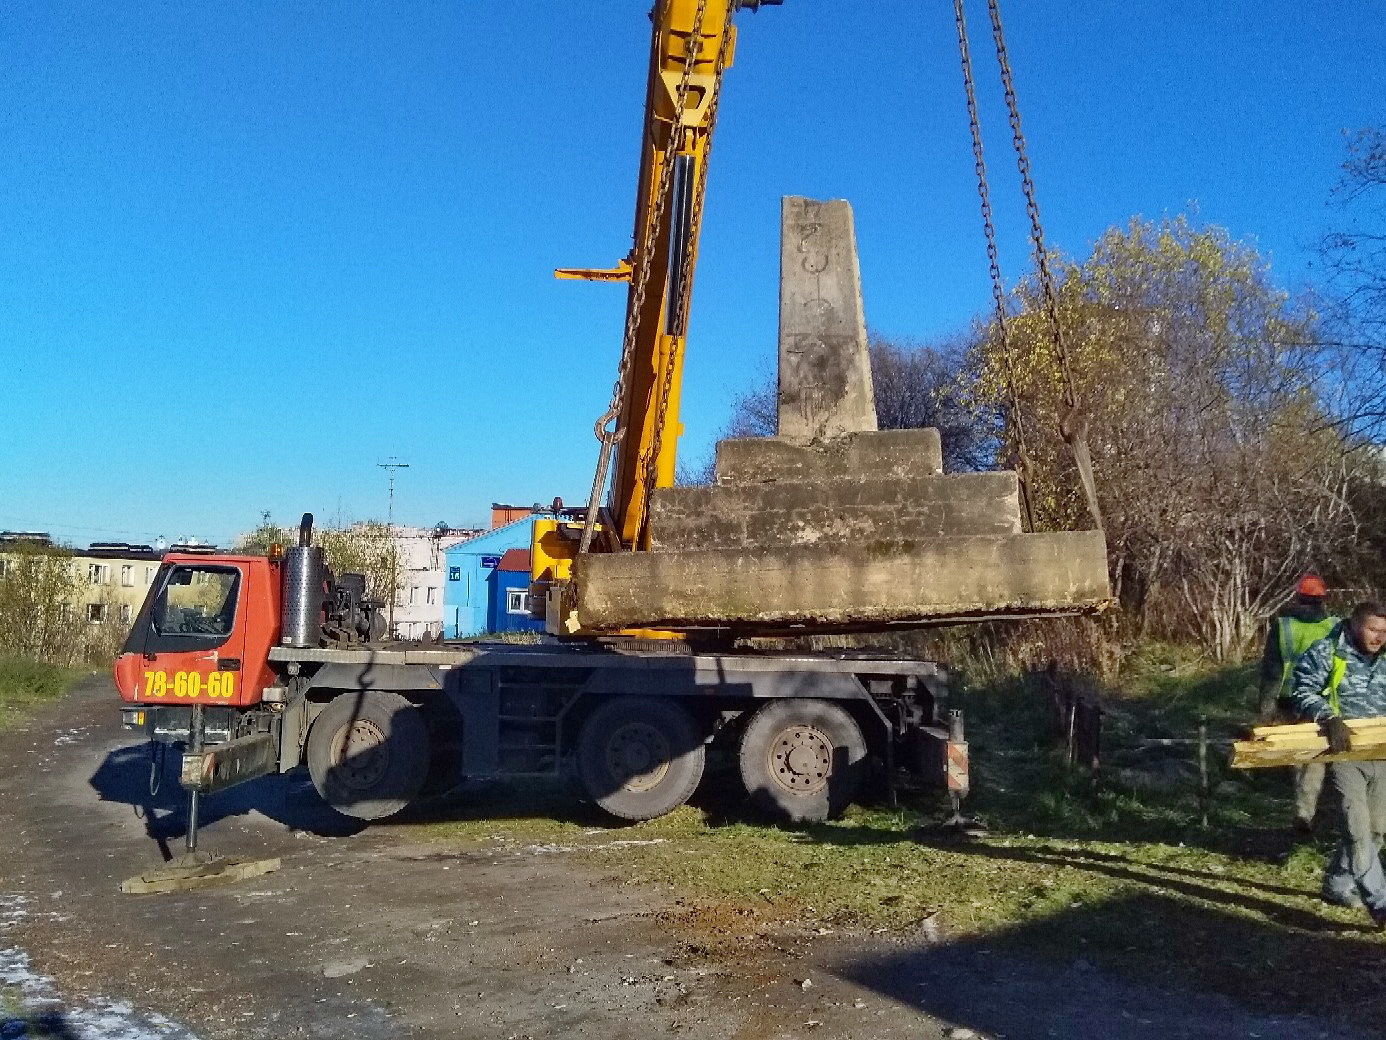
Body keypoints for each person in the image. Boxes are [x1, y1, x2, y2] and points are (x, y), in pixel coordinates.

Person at [1287, 601, 1386, 925]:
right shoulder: (1327, 651)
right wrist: (1329, 718)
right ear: (1356, 625)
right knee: (1356, 826)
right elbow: (1301, 689)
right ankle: (1381, 901)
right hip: (1343, 752)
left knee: (1377, 830)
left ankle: (1338, 883)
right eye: (1374, 629)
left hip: (1380, 751)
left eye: (1385, 631)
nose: (1379, 637)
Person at [1257, 574, 1338, 830]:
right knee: (1317, 755)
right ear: (1323, 599)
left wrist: (1265, 709)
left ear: (1298, 597)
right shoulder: (1335, 625)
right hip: (1320, 700)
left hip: (1287, 698)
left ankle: (1302, 806)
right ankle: (1307, 808)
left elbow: (1272, 670)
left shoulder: (1283, 626)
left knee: (1295, 754)